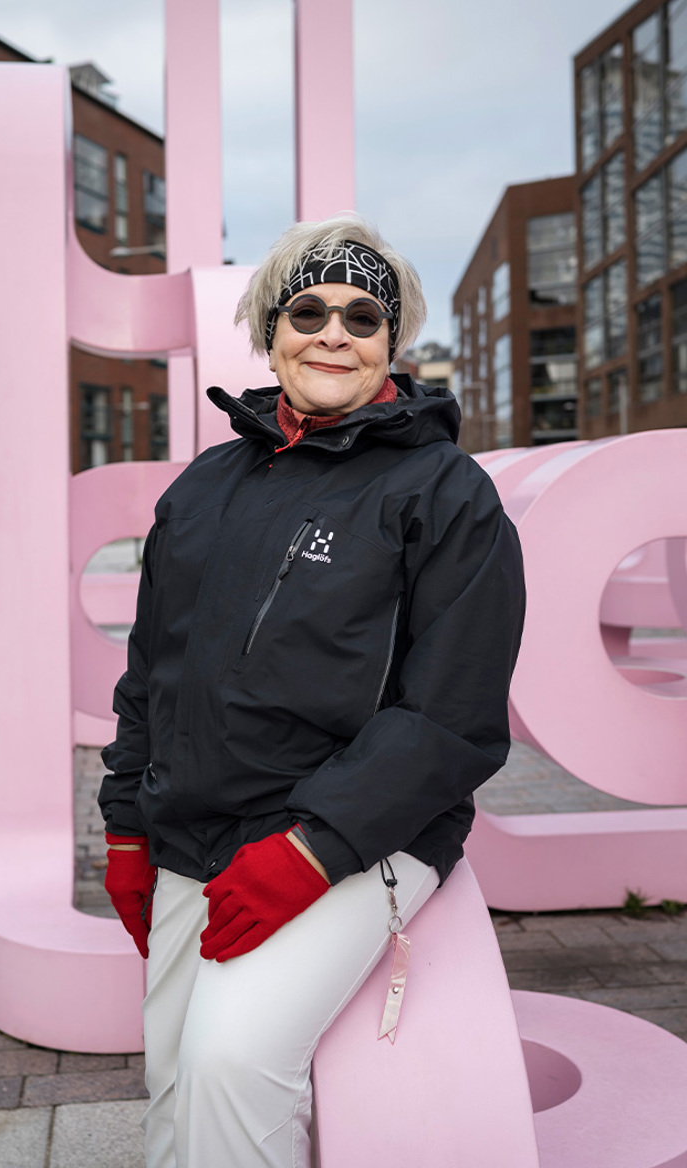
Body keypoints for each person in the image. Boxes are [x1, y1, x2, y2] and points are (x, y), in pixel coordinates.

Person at [98, 214, 525, 1168]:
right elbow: (150, 671)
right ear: (271, 330)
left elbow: (453, 716)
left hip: (350, 837)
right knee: (172, 1073)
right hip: (192, 831)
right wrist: (128, 827)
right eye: (310, 311)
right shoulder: (203, 486)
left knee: (231, 1065)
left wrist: (313, 848)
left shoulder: (447, 494)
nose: (335, 333)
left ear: (390, 342)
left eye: (363, 317)